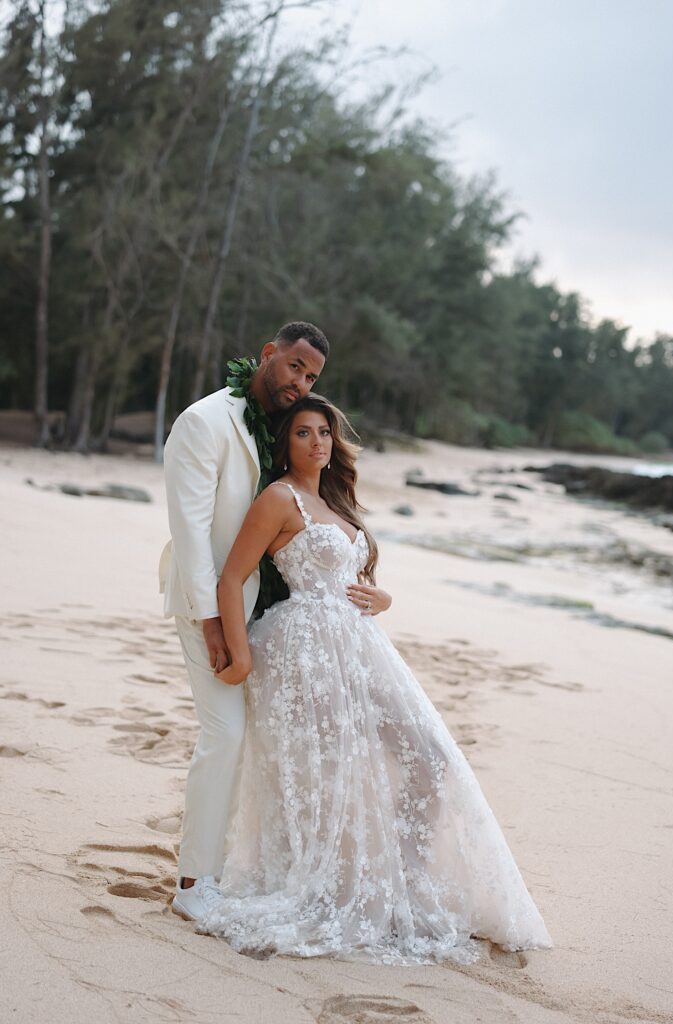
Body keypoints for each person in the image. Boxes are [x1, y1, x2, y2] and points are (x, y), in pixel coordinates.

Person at [198, 394, 552, 964]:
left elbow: (353, 578)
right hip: (305, 647)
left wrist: (382, 597)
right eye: (303, 433)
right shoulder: (279, 497)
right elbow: (231, 577)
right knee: (334, 774)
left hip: (360, 645)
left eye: (325, 434)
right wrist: (238, 657)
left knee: (429, 754)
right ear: (284, 444)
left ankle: (404, 883)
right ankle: (341, 887)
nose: (317, 443)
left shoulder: (334, 500)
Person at [160, 322, 329, 923]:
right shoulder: (204, 423)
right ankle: (190, 883)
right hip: (204, 600)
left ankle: (220, 867)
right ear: (267, 355)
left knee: (252, 739)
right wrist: (210, 621)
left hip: (257, 605)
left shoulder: (281, 427)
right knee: (224, 735)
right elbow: (190, 533)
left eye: (311, 377)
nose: (300, 383)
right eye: (294, 368)